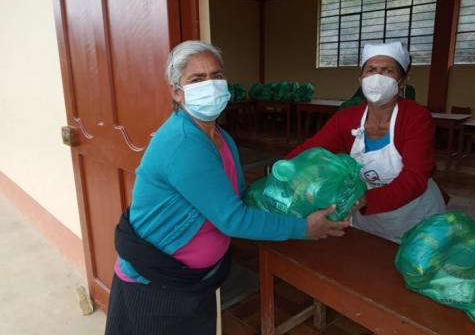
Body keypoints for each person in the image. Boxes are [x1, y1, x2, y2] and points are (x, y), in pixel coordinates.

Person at [104, 40, 350, 335]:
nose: (211, 84)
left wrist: (295, 197)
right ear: (176, 92)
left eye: (217, 76)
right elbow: (233, 218)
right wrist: (304, 229)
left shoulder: (219, 136)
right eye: (197, 79)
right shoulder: (185, 143)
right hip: (156, 287)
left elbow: (237, 197)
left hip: (193, 283)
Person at [287, 41, 446, 243]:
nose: (377, 77)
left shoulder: (415, 117)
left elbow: (415, 178)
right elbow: (312, 149)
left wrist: (365, 200)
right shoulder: (347, 118)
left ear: (403, 80)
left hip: (412, 214)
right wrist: (284, 169)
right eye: (371, 70)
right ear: (361, 78)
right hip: (367, 214)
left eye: (388, 71)